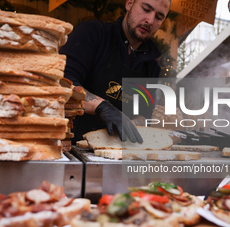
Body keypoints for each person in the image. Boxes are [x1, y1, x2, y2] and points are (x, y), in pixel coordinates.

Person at [59, 0, 171, 143]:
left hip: (117, 152)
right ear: (129, 4)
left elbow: (145, 114)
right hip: (70, 145)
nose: (150, 20)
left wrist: (134, 124)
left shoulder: (152, 67)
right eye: (146, 9)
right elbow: (62, 81)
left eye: (159, 17)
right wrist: (101, 106)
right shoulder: (92, 33)